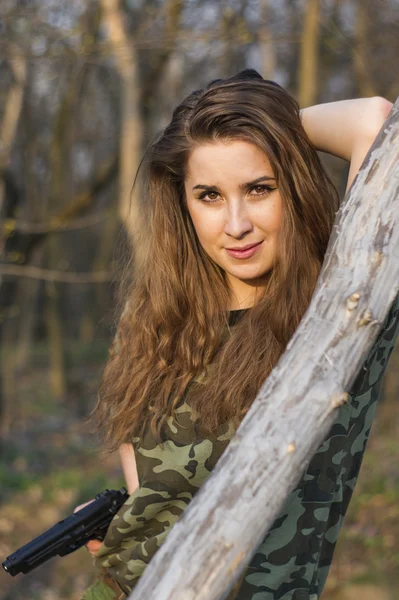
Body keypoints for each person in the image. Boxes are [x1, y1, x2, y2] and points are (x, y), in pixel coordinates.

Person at [79, 70, 398, 600]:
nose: (236, 224)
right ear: (184, 204)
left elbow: (378, 122)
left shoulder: (340, 308)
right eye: (209, 195)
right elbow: (149, 490)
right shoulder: (156, 322)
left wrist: (267, 126)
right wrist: (121, 526)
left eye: (258, 188)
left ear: (292, 185)